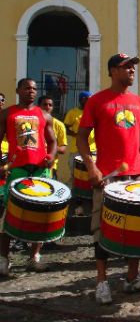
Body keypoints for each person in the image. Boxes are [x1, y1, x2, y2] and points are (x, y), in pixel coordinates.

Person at [77, 53, 140, 304]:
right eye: (126, 67)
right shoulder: (97, 101)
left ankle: (132, 278)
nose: (132, 71)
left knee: (135, 228)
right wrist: (92, 167)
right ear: (112, 71)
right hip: (107, 177)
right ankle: (102, 282)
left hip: (136, 175)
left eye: (133, 67)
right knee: (103, 229)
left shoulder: (139, 102)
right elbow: (81, 138)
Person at [0, 78, 57, 276]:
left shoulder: (44, 114)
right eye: (27, 88)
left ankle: (34, 258)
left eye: (34, 89)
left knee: (40, 216)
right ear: (18, 90)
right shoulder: (7, 113)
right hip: (17, 171)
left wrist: (51, 156)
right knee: (11, 215)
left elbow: (53, 141)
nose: (31, 91)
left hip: (40, 171)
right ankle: (3, 260)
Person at [37, 96, 67, 179]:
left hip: (50, 166)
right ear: (38, 106)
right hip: (32, 164)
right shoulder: (33, 121)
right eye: (45, 104)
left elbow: (63, 149)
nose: (47, 107)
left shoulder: (59, 125)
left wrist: (49, 146)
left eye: (50, 105)